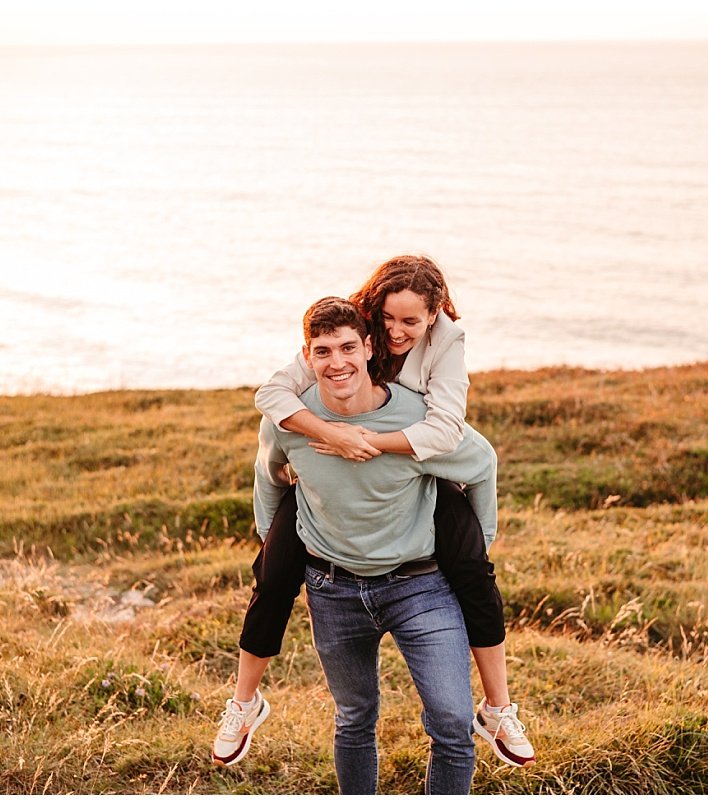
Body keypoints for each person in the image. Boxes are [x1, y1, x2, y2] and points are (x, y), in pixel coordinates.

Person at [211, 257, 534, 771]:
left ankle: (498, 708)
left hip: (422, 458)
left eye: (411, 321)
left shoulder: (445, 347)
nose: (397, 330)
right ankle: (244, 704)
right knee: (271, 580)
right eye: (389, 319)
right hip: (331, 539)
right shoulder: (346, 331)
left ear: (433, 316)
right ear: (371, 317)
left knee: (475, 572)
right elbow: (270, 411)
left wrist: (374, 444)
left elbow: (456, 439)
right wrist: (326, 439)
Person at [254, 297, 498, 793]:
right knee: (353, 718)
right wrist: (271, 542)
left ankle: (497, 713)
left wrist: (479, 544)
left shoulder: (420, 420)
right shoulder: (294, 418)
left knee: (452, 722)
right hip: (333, 589)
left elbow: (480, 465)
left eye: (349, 347)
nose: (338, 362)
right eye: (323, 352)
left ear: (369, 347)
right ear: (308, 355)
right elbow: (269, 475)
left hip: (420, 587)